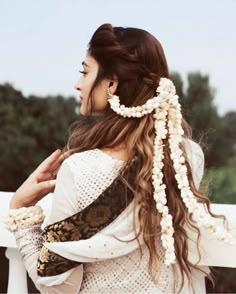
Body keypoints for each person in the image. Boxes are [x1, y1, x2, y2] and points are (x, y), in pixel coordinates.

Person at [5, 23, 236, 294]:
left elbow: (58, 287)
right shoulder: (185, 156)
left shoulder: (79, 170)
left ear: (112, 84)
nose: (77, 84)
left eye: (85, 72)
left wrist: (21, 210)